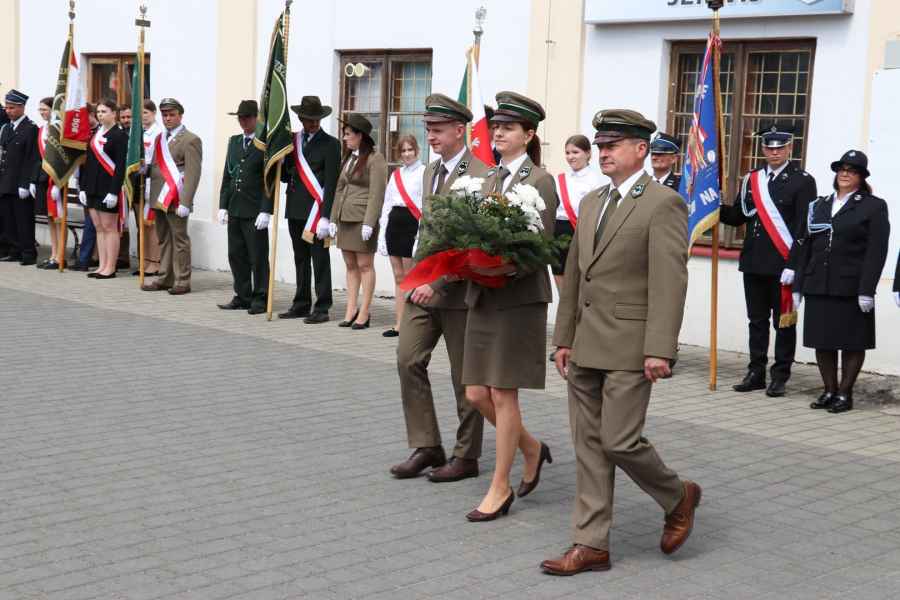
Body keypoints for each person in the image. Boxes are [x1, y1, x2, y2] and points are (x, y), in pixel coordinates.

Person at [542, 109, 701, 576]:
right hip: (585, 344)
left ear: (640, 149)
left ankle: (677, 495)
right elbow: (576, 276)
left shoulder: (662, 203)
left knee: (619, 440)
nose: (604, 153)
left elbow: (670, 281)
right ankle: (591, 543)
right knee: (589, 446)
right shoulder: (592, 201)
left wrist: (660, 348)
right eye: (601, 145)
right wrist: (563, 337)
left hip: (632, 345)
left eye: (613, 145)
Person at [461, 92, 557, 522]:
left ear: (529, 135)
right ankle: (531, 447)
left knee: (502, 392)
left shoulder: (540, 181)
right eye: (496, 126)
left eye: (508, 127)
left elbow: (541, 247)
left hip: (517, 297)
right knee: (475, 393)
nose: (498, 132)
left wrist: (500, 266)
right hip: (484, 294)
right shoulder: (488, 177)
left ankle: (499, 487)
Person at [390, 94, 489, 483]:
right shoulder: (432, 171)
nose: (430, 136)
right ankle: (427, 444)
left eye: (437, 130)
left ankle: (466, 455)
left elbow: (474, 240)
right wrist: (418, 276)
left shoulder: (479, 173)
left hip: (457, 288)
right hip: (423, 284)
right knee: (407, 358)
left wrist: (440, 281)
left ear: (459, 130)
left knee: (465, 376)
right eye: (428, 129)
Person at [719, 123, 817, 397]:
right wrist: (715, 206)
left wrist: (794, 265)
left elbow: (804, 228)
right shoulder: (752, 179)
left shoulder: (802, 181)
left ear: (789, 148)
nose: (774, 152)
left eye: (780, 148)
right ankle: (756, 372)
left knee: (784, 322)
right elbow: (739, 216)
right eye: (769, 147)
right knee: (757, 321)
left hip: (783, 264)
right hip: (754, 261)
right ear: (763, 149)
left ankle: (780, 375)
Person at [794, 151, 889, 414]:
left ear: (861, 177)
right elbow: (806, 247)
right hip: (818, 283)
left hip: (850, 287)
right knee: (822, 340)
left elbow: (876, 251)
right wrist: (798, 285)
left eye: (852, 170)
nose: (845, 174)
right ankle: (829, 390)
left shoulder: (873, 206)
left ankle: (845, 393)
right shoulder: (820, 205)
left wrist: (866, 290)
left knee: (852, 341)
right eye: (841, 169)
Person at [279, 96, 341, 323]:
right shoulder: (292, 141)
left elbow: (332, 183)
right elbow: (286, 176)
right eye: (309, 119)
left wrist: (326, 216)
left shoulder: (331, 144)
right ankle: (301, 303)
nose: (314, 123)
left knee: (320, 259)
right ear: (301, 119)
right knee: (301, 258)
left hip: (316, 212)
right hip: (295, 208)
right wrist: (280, 162)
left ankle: (322, 307)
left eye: (317, 119)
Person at [330, 113, 387, 329]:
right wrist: (333, 218)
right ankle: (351, 308)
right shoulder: (349, 157)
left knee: (365, 265)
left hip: (362, 220)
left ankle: (365, 311)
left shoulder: (375, 158)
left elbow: (376, 193)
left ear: (360, 135)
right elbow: (339, 189)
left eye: (348, 134)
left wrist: (369, 222)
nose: (344, 138)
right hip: (345, 218)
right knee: (350, 265)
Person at [141, 97, 202, 295]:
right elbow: (156, 165)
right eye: (165, 115)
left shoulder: (190, 139)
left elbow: (193, 173)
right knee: (164, 238)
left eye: (171, 115)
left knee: (179, 239)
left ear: (180, 116)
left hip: (176, 198)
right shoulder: (160, 138)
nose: (167, 118)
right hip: (159, 196)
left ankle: (182, 280)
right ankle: (164, 277)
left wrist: (186, 201)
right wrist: (145, 170)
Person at [217, 100, 271, 314]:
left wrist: (266, 209)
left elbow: (269, 180)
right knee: (236, 255)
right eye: (240, 118)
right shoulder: (234, 141)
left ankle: (261, 297)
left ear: (256, 118)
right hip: (235, 207)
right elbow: (228, 175)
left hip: (254, 209)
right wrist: (223, 205)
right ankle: (242, 295)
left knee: (257, 257)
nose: (243, 121)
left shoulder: (264, 142)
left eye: (247, 117)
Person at [377, 134, 424, 337]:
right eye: (403, 150)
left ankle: (412, 325)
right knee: (398, 276)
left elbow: (424, 204)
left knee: (410, 277)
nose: (407, 154)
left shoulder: (423, 172)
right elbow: (387, 203)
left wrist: (420, 233)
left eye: (410, 149)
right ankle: (399, 323)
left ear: (417, 150)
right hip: (394, 225)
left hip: (411, 225)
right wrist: (382, 233)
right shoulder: (396, 174)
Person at [78, 98, 127, 279]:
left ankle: (110, 268)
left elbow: (120, 166)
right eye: (98, 112)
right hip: (92, 187)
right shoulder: (96, 134)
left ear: (114, 113)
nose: (100, 115)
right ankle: (102, 265)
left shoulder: (119, 135)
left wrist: (114, 191)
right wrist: (83, 187)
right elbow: (88, 163)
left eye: (104, 111)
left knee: (109, 227)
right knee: (99, 227)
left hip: (108, 188)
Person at [552, 134, 602, 292]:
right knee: (559, 272)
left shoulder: (596, 181)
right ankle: (564, 304)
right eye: (567, 153)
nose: (570, 157)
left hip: (580, 231)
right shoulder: (559, 178)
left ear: (588, 153)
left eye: (575, 152)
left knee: (579, 275)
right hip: (559, 229)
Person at [0, 89, 40, 266]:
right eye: (7, 108)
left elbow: (32, 158)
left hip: (20, 183)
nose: (8, 111)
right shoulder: (6, 128)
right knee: (9, 220)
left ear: (22, 107)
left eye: (12, 108)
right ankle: (14, 250)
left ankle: (28, 253)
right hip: (6, 181)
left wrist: (26, 183)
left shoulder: (30, 129)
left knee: (23, 220)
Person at [133, 99, 161, 277]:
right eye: (140, 113)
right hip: (138, 181)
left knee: (152, 226)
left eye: (145, 112)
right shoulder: (138, 133)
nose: (142, 116)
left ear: (153, 113)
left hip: (152, 182)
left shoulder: (158, 133)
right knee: (141, 225)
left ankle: (155, 262)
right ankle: (144, 260)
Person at [33, 97, 61, 269]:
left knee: (58, 218)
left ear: (53, 109)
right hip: (44, 179)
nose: (42, 112)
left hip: (57, 179)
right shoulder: (42, 129)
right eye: (40, 109)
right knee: (50, 218)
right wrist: (33, 180)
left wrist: (58, 182)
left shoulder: (59, 129)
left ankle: (60, 257)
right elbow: (37, 157)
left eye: (44, 109)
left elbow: (62, 158)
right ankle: (53, 254)